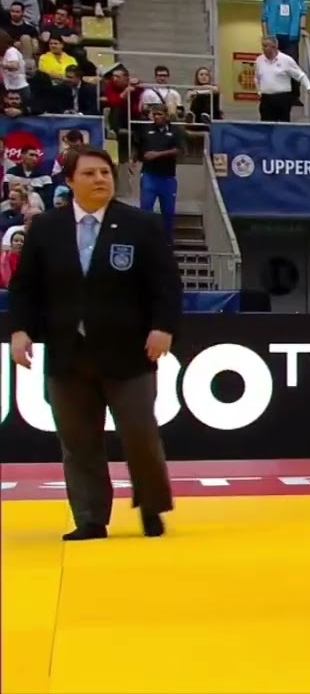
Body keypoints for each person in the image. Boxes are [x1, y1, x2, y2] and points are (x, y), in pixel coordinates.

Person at [5, 147, 183, 541]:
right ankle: (90, 517)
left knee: (140, 434)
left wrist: (163, 327)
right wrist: (20, 331)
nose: (100, 179)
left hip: (129, 351)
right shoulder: (47, 227)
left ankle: (152, 506)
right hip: (67, 351)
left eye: (105, 172)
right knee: (78, 440)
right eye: (89, 173)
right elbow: (25, 287)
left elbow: (166, 284)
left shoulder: (140, 224)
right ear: (70, 181)